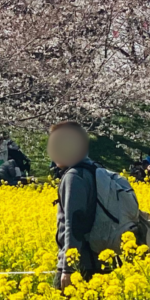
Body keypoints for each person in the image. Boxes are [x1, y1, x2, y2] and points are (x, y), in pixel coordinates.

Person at [47, 121, 103, 290]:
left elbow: (74, 224)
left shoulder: (74, 177)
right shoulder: (95, 169)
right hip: (99, 260)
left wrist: (68, 268)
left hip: (80, 265)